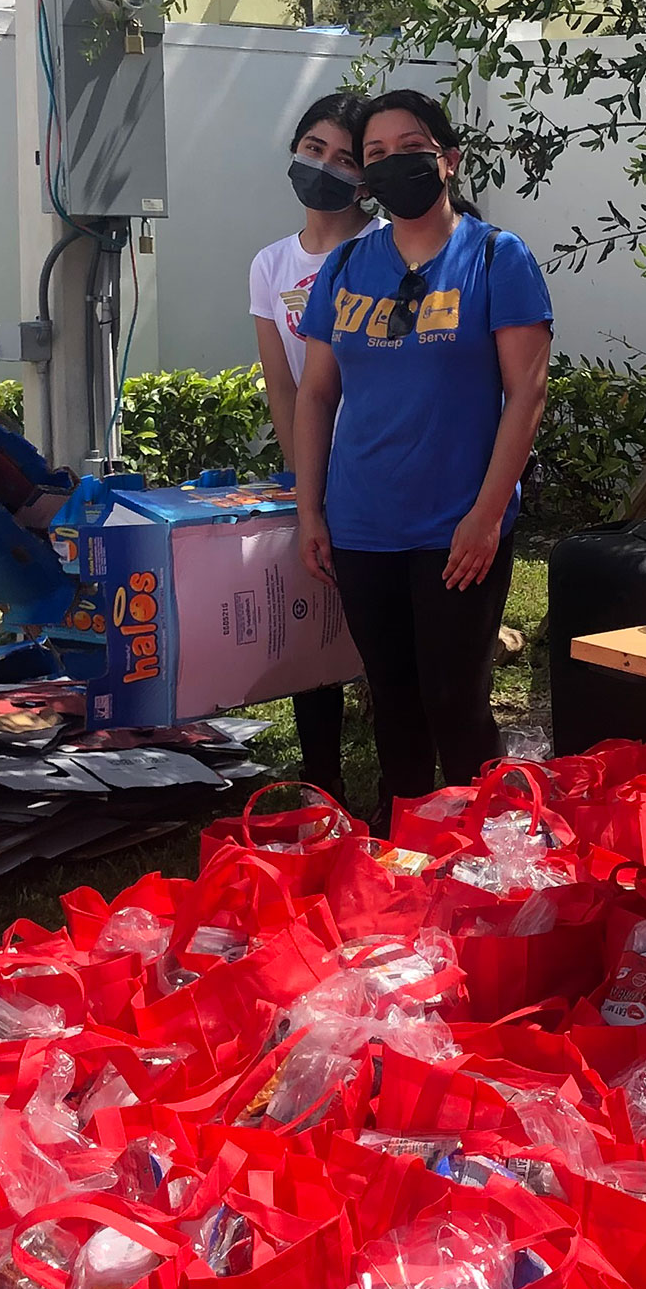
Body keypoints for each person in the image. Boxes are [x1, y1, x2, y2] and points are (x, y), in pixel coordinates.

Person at [289, 89, 552, 834]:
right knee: (392, 696)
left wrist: (488, 515)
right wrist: (311, 509)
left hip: (455, 528)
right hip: (363, 523)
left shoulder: (498, 257)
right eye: (375, 155)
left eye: (410, 146)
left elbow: (525, 395)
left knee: (454, 700)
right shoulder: (344, 268)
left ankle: (488, 845)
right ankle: (400, 842)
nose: (392, 162)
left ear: (448, 157)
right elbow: (315, 395)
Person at [251, 91, 380, 808]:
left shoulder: (385, 247)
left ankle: (406, 783)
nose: (324, 168)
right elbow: (283, 385)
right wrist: (308, 490)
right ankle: (322, 780)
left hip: (381, 462)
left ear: (366, 176)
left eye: (344, 158)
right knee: (318, 628)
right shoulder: (270, 265)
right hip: (317, 468)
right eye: (313, 150)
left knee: (390, 635)